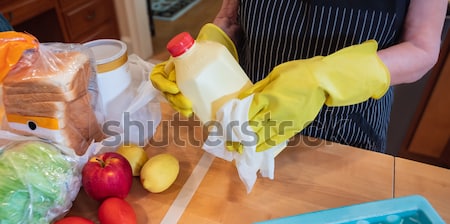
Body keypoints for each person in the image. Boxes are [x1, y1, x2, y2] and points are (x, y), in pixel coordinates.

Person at [151, 0, 448, 153]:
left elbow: (422, 48)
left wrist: (323, 78)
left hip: (347, 131)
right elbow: (230, 16)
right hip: (253, 120)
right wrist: (201, 56)